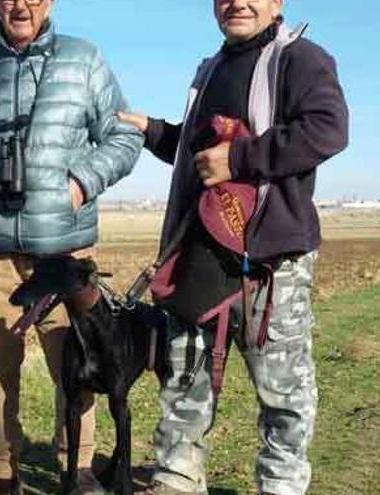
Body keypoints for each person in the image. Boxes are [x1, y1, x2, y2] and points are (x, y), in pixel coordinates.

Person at [118, 1, 349, 494]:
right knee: (184, 377)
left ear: (278, 3)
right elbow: (200, 154)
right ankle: (177, 478)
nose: (236, 2)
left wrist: (240, 158)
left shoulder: (301, 58)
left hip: (271, 262)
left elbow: (328, 129)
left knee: (283, 392)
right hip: (199, 255)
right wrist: (152, 132)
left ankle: (281, 486)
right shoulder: (211, 68)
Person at [0, 1, 144, 493]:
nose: (19, 5)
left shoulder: (83, 59)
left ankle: (80, 464)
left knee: (78, 364)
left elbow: (123, 136)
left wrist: (82, 180)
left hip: (65, 255)